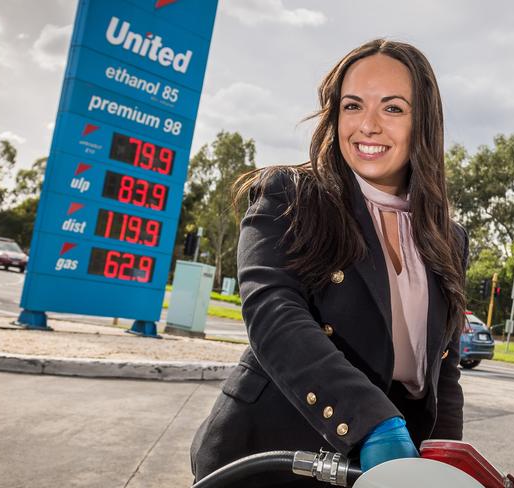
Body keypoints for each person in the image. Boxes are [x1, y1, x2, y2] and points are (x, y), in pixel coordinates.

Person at [190, 39, 469, 487]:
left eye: (393, 109)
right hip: (271, 455)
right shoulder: (291, 194)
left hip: (381, 471)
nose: (368, 126)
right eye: (353, 106)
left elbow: (445, 369)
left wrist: (447, 461)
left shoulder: (449, 239)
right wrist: (371, 421)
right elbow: (272, 313)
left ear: (423, 122)